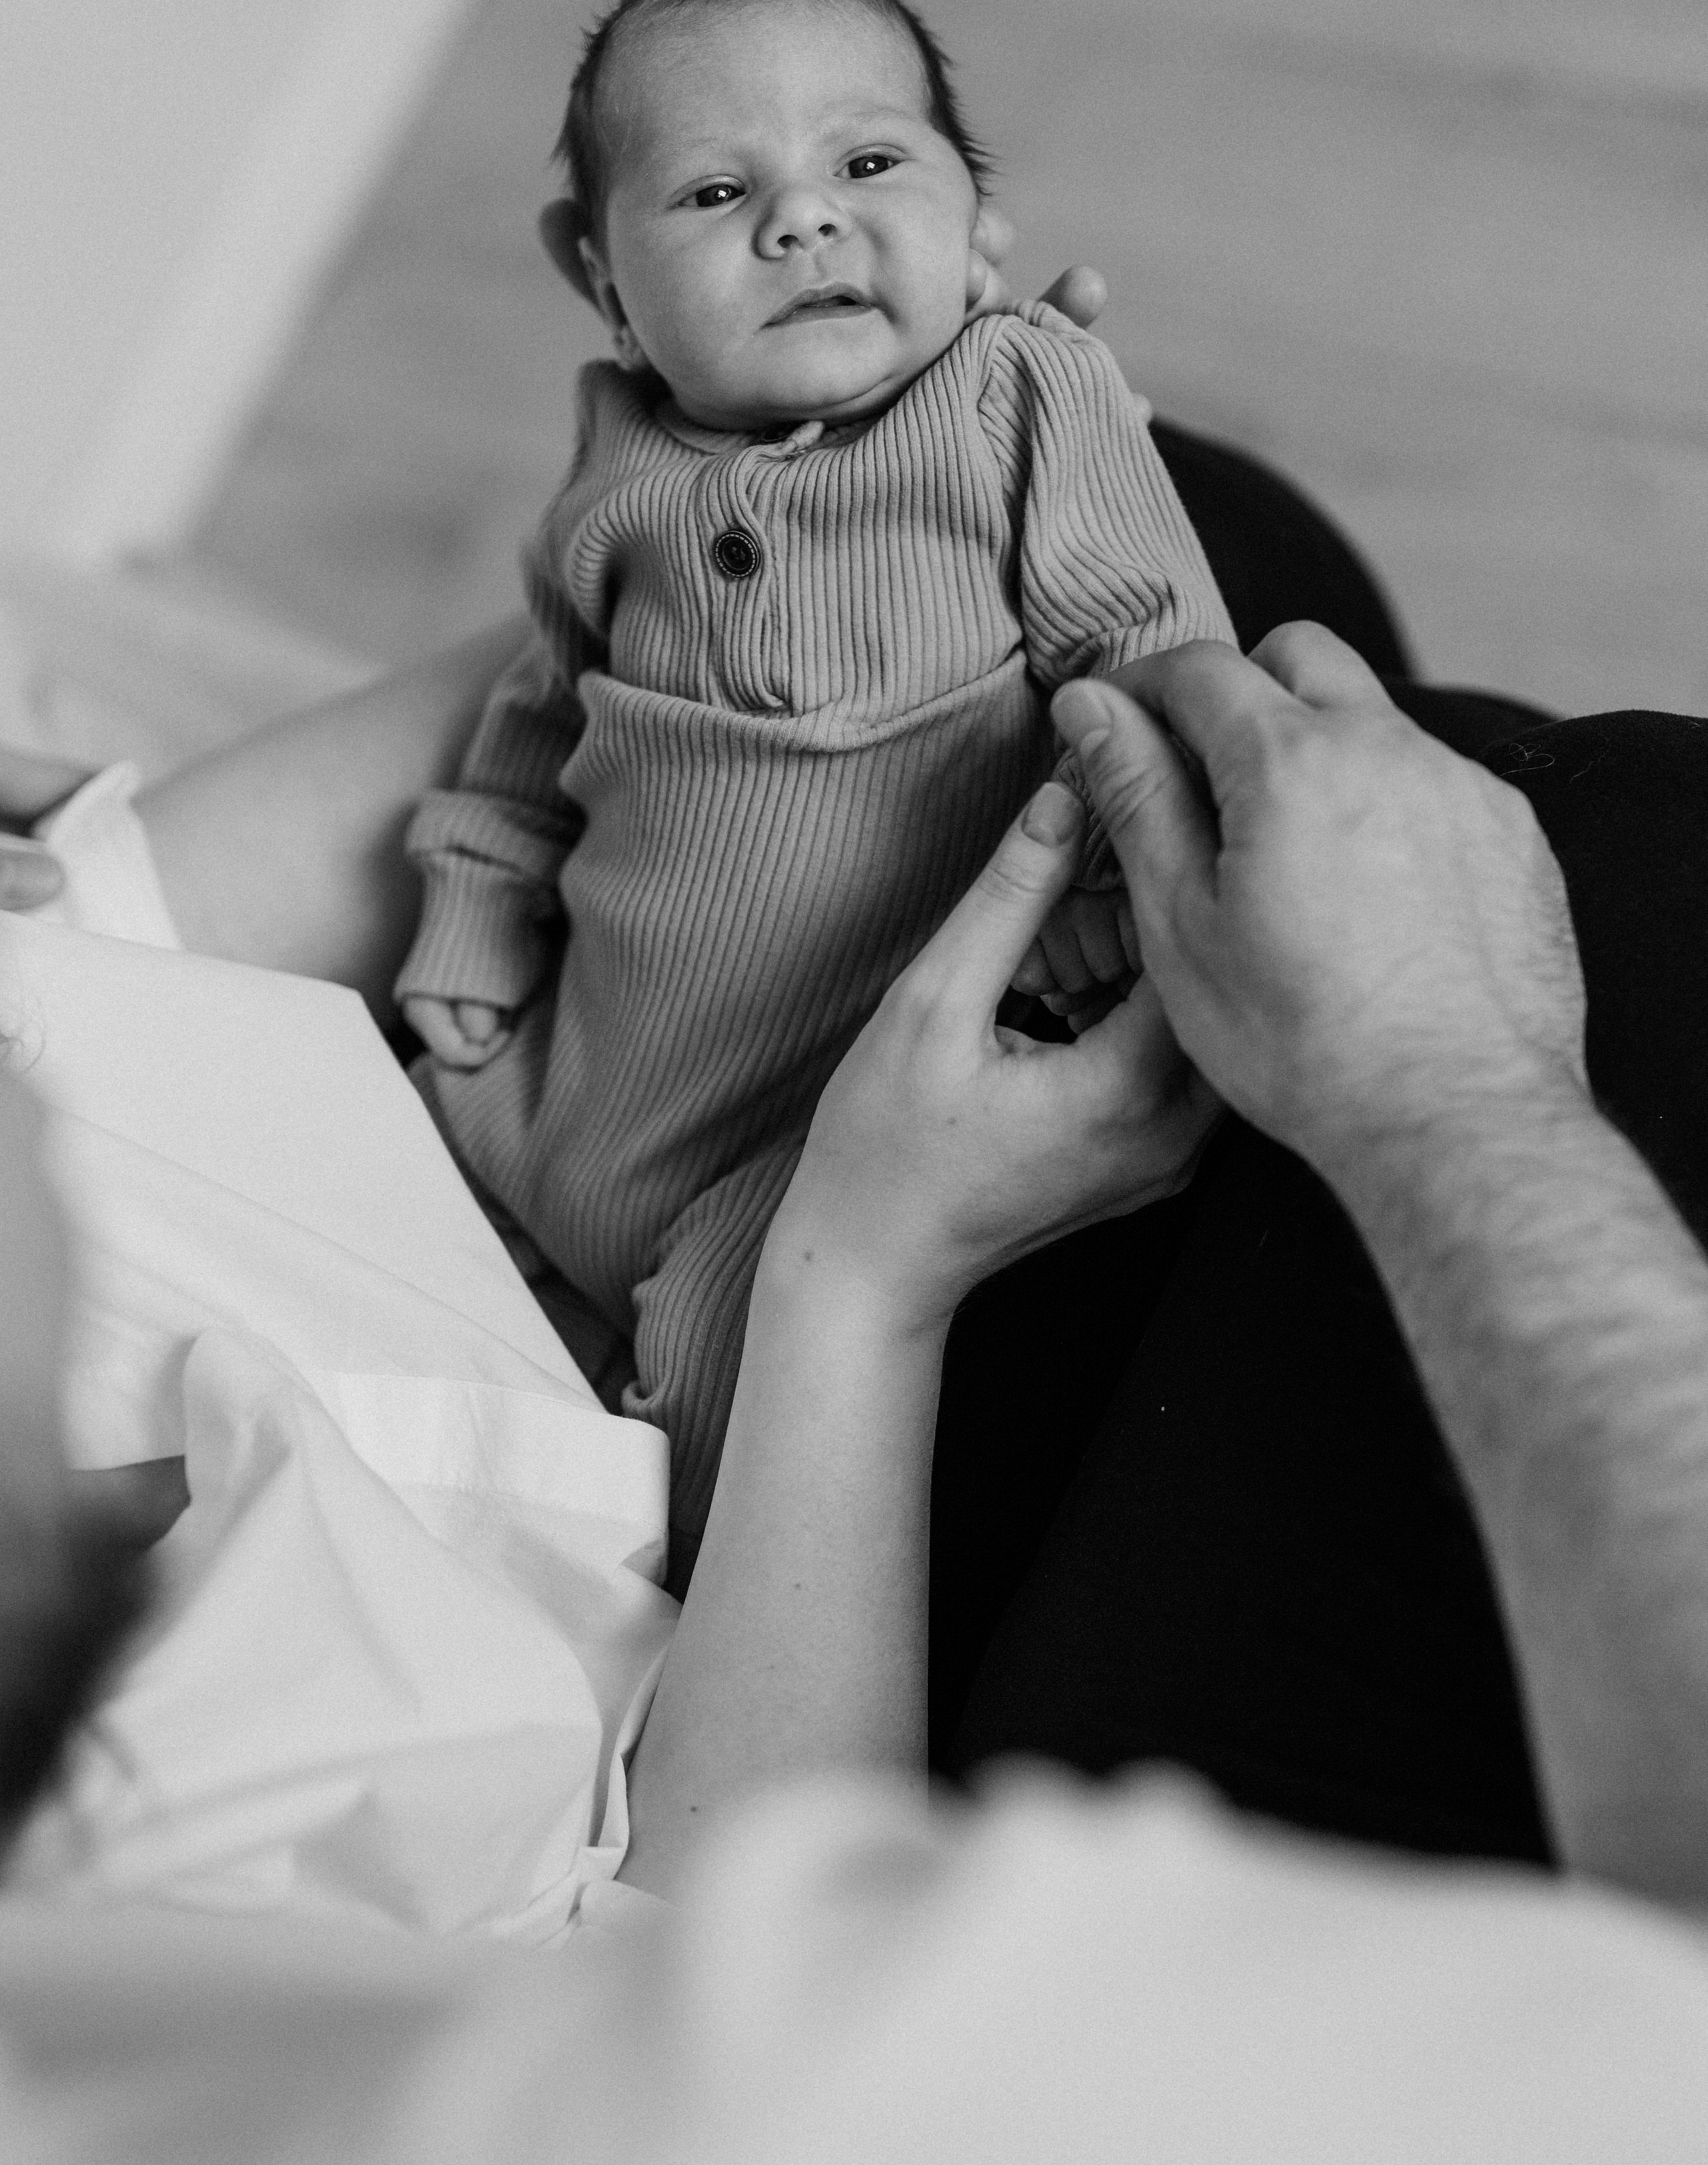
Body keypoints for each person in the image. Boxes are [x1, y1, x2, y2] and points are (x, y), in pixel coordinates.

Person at [6, 625, 1708, 2164]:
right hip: (785, 1633)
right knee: (1628, 885)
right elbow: (726, 1996)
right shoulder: (255, 2000)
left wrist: (750, 532)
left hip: (625, 1225)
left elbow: (103, 937)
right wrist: (871, 1261)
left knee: (1016, 600)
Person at [391, 0, 1233, 1570]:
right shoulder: (610, 474)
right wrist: (473, 900)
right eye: (715, 194)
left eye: (870, 167)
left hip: (811, 1115)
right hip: (577, 1066)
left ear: (976, 216)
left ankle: (643, 1602)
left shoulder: (1019, 393)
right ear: (599, 275)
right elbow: (533, 717)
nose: (803, 225)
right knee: (397, 1164)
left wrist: (1110, 881)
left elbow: (1142, 643)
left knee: (722, 1363)